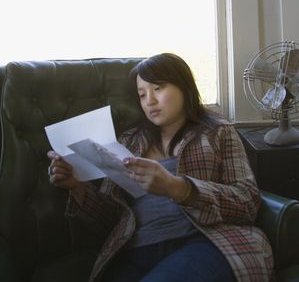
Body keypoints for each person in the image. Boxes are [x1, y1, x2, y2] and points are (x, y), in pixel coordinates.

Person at [48, 53, 273, 282]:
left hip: (207, 241)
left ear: (184, 86)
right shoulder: (128, 142)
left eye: (158, 88)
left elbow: (247, 202)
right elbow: (110, 219)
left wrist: (178, 188)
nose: (150, 101)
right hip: (135, 251)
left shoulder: (217, 131)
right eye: (142, 94)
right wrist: (75, 187)